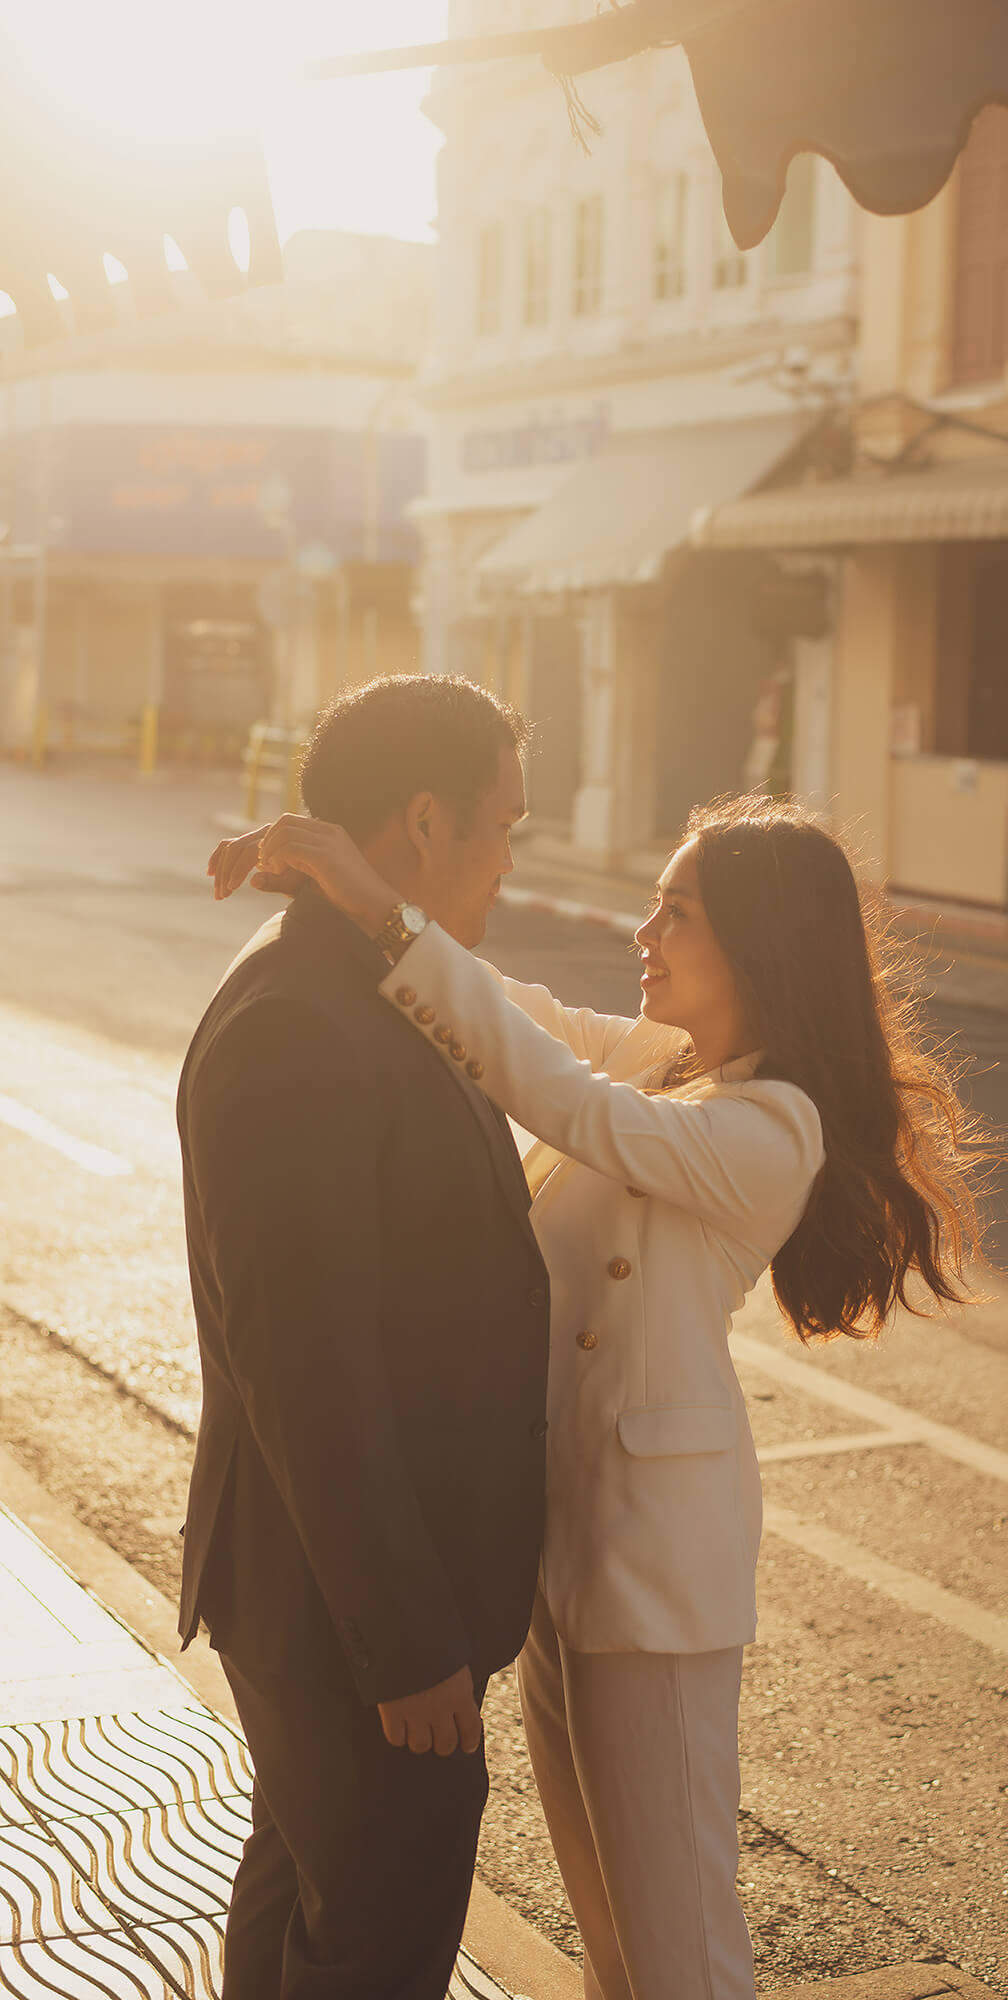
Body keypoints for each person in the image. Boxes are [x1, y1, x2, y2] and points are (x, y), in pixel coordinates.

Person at [212, 783, 995, 2000]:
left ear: (757, 942)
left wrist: (382, 911)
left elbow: (555, 1094)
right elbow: (511, 1014)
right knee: (613, 1943)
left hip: (655, 1571)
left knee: (679, 1943)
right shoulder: (670, 1061)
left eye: (673, 914)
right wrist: (362, 906)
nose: (644, 934)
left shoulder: (768, 1126)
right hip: (565, 1545)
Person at [179, 675, 550, 2000]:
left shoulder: (372, 982)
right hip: (352, 1624)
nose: (512, 860)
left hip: (346, 1606)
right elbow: (310, 1371)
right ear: (422, 821)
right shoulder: (301, 1023)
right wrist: (403, 1645)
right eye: (503, 826)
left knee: (305, 1917)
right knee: (374, 1950)